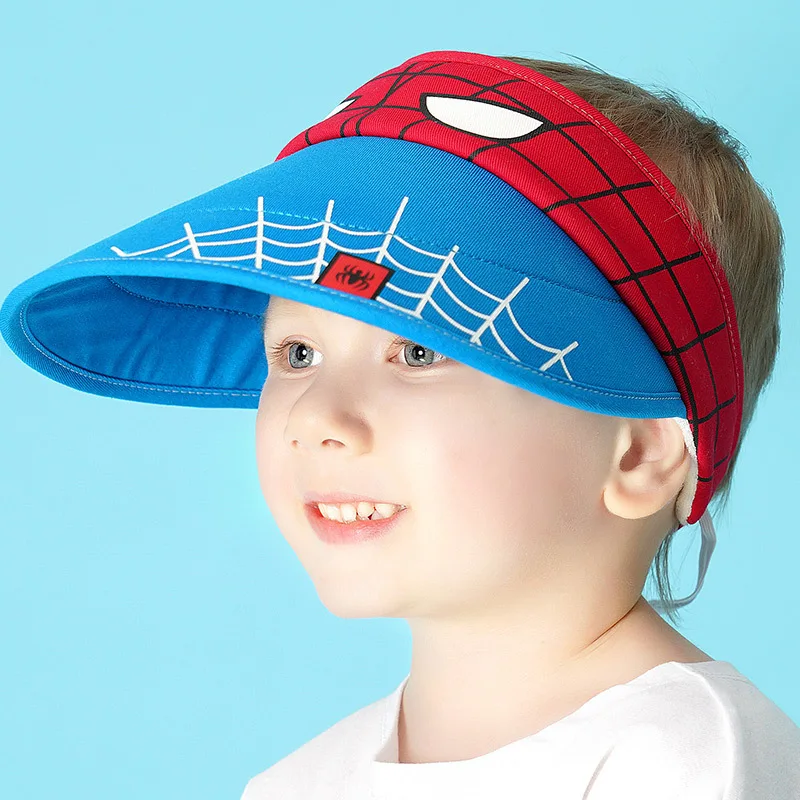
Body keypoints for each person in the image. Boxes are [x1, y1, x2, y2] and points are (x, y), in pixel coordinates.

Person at [1, 49, 797, 798]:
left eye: (417, 351)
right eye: (298, 353)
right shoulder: (297, 784)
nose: (316, 418)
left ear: (640, 455)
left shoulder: (687, 760)